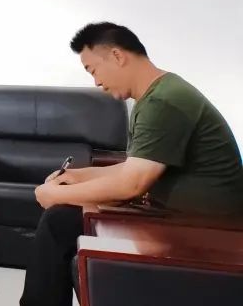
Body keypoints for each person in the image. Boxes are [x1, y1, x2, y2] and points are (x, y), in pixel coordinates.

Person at [20, 22, 243, 306]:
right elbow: (134, 167)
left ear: (117, 56)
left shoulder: (164, 102)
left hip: (205, 230)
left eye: (93, 70)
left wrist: (55, 194)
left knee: (58, 219)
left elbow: (133, 184)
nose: (96, 82)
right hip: (176, 214)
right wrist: (79, 176)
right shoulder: (155, 96)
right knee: (61, 220)